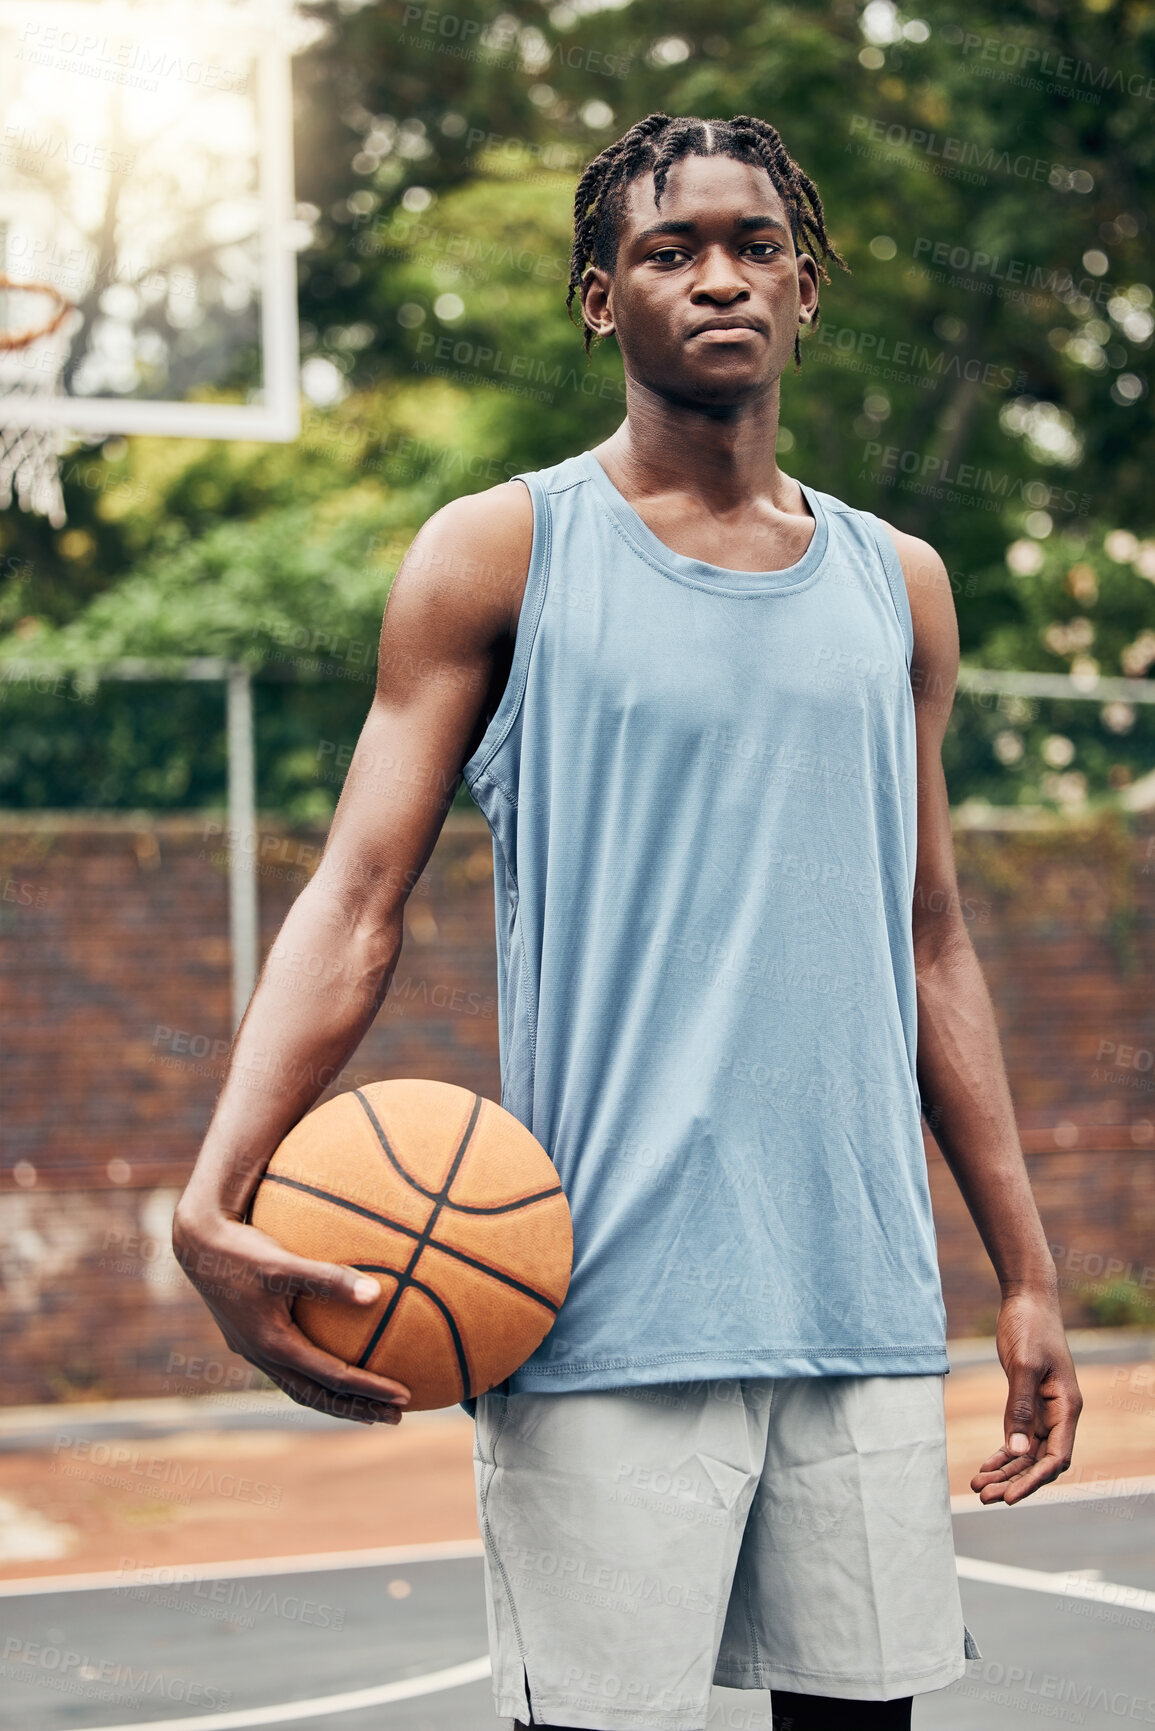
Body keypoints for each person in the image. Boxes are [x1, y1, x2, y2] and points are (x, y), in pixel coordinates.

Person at [174, 112, 1083, 1731]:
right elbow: (357, 898)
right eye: (670, 250)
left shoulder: (902, 586)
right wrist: (214, 1183)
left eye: (756, 247)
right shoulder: (501, 553)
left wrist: (1023, 1267)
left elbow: (932, 938)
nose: (719, 276)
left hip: (858, 1294)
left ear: (807, 289)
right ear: (602, 299)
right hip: (593, 1299)